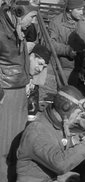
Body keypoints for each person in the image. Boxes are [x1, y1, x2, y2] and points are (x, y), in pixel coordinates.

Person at [16, 85, 85, 181]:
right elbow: (60, 164)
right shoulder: (37, 131)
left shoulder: (53, 124)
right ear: (66, 108)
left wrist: (74, 140)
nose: (77, 118)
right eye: (77, 113)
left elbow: (56, 145)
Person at [0, 0, 38, 180]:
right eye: (31, 17)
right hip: (6, 92)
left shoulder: (16, 29)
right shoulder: (0, 31)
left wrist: (27, 79)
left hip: (19, 88)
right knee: (5, 143)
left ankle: (13, 174)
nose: (33, 22)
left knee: (17, 140)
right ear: (19, 13)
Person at [48, 0, 85, 80]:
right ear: (70, 9)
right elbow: (49, 43)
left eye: (82, 9)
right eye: (78, 9)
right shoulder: (56, 22)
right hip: (65, 67)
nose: (82, 12)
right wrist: (67, 50)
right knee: (66, 91)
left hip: (82, 67)